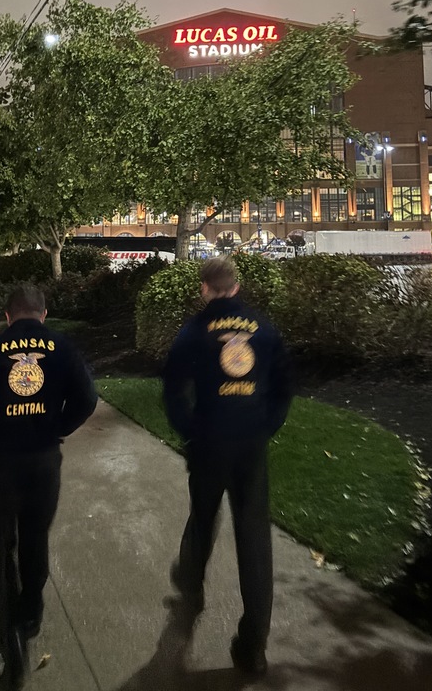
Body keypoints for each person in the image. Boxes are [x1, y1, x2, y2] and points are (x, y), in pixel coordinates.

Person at [0, 283, 97, 691]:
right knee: (35, 538)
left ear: (7, 315)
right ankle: (31, 611)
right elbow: (86, 399)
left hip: (2, 461)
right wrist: (56, 428)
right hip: (44, 461)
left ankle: (11, 651)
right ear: (43, 314)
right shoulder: (62, 348)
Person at [162, 256, 293, 678]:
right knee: (254, 539)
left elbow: (173, 390)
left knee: (202, 517)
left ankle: (192, 587)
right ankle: (253, 646)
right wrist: (265, 425)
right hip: (250, 444)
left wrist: (190, 431)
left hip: (209, 442)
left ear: (205, 288)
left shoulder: (194, 331)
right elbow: (283, 387)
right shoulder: (264, 328)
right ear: (235, 287)